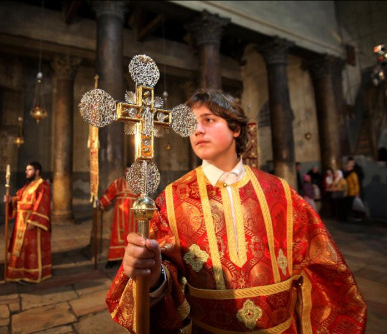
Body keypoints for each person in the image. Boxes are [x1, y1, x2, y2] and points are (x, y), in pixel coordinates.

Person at [106, 89, 366, 333]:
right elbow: (163, 276)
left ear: (236, 129)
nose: (197, 130)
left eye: (208, 120)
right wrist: (154, 278)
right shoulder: (173, 199)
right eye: (191, 123)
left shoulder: (281, 193)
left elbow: (325, 272)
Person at [4, 162, 52, 283]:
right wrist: (11, 200)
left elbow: (42, 204)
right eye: (26, 169)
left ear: (37, 171)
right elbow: (20, 198)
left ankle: (32, 274)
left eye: (29, 169)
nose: (26, 172)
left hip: (31, 222)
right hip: (21, 222)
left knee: (31, 250)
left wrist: (34, 221)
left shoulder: (42, 185)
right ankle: (19, 272)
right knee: (20, 249)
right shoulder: (28, 185)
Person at [99, 165, 138, 268]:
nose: (127, 173)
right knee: (117, 235)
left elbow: (143, 198)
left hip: (133, 215)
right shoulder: (118, 182)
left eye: (130, 171)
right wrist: (101, 203)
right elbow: (109, 194)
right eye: (126, 171)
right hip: (120, 215)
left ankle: (132, 259)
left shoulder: (138, 184)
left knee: (133, 235)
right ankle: (113, 259)